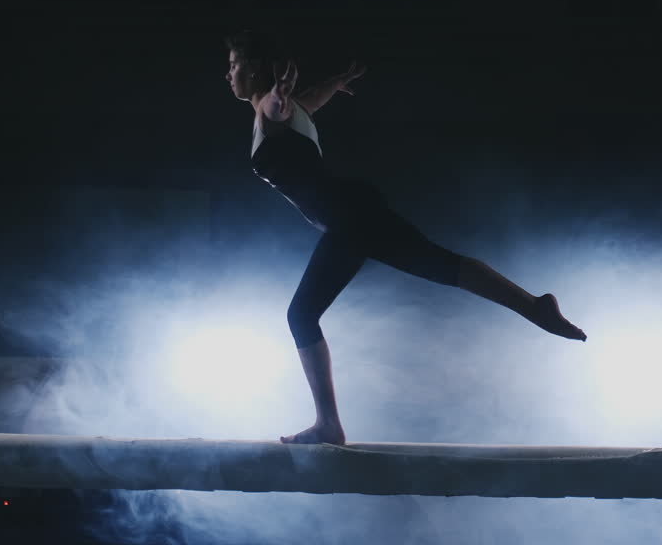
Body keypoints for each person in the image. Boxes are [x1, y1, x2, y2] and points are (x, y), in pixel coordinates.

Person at [224, 31, 586, 445]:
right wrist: (332, 83)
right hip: (355, 211)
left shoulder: (274, 109)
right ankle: (535, 307)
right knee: (440, 264)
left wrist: (280, 91)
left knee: (301, 316)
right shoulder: (294, 110)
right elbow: (311, 99)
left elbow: (282, 103)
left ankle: (329, 425)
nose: (228, 73)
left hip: (348, 217)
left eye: (233, 64)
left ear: (254, 69)